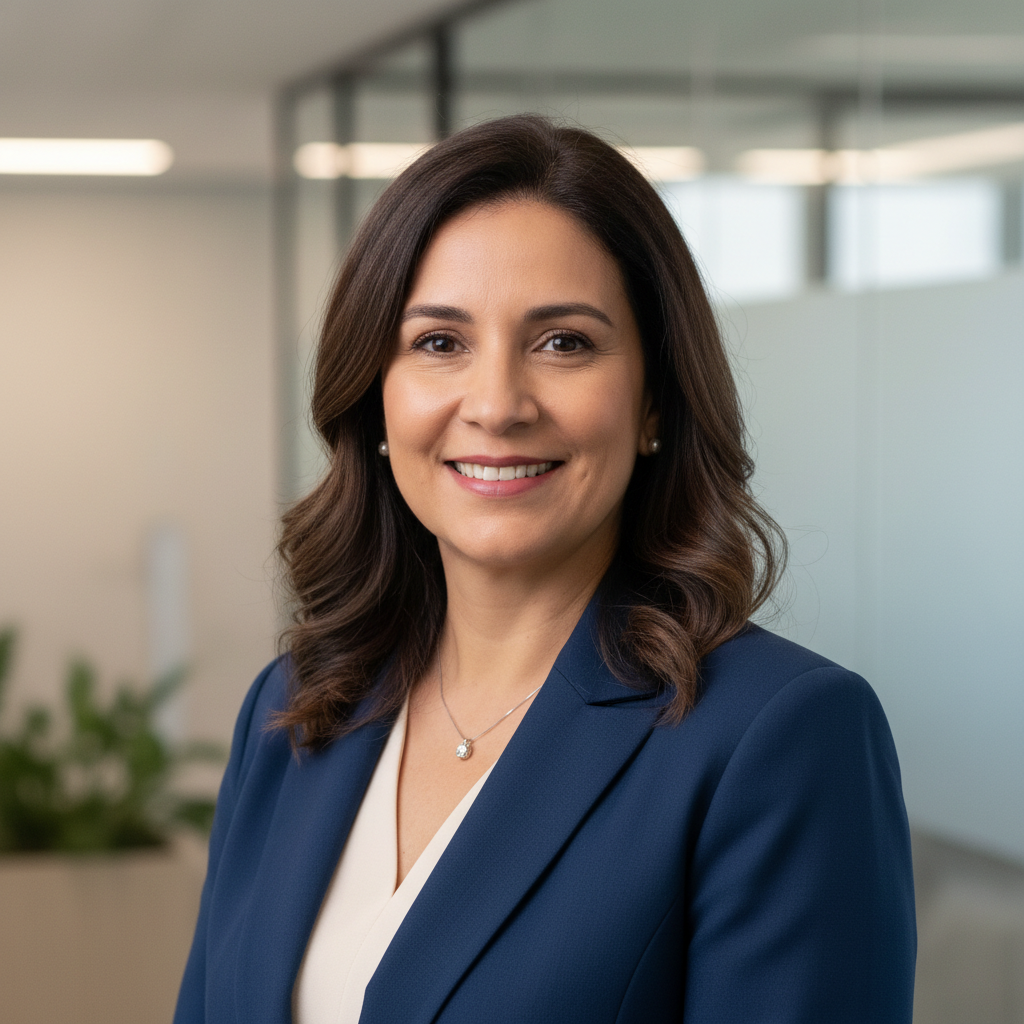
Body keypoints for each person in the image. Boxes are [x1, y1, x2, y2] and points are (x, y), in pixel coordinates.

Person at [174, 114, 916, 1024]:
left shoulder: (778, 736)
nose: (496, 404)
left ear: (654, 402)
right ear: (375, 398)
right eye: (439, 342)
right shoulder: (292, 711)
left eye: (564, 342)